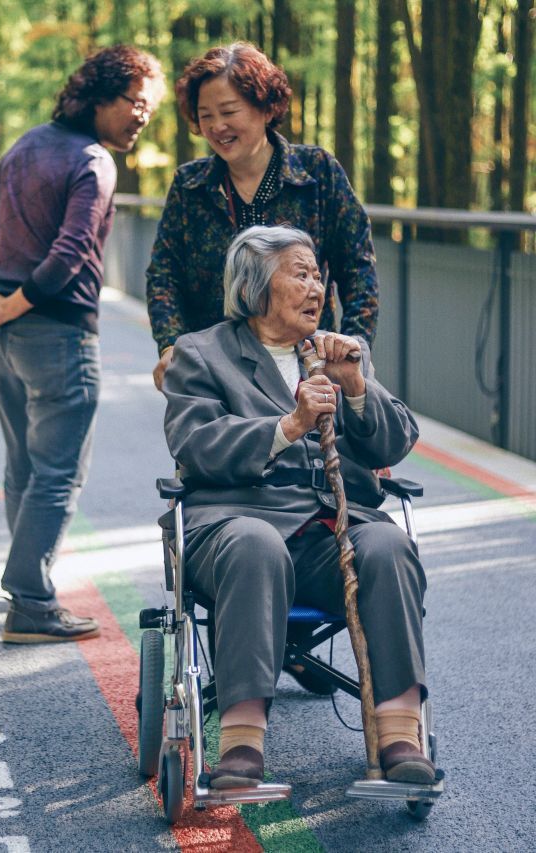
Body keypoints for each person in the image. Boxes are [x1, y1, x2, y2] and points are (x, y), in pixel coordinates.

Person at [162, 225, 434, 789]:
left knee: (387, 544)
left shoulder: (335, 352)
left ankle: (401, 734)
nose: (317, 287)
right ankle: (240, 745)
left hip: (329, 535)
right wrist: (288, 427)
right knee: (256, 544)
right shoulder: (201, 353)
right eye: (301, 274)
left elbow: (395, 442)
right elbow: (195, 444)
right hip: (236, 529)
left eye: (318, 275)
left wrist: (356, 385)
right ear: (257, 286)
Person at [0, 45, 164, 643]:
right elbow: (72, 252)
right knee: (58, 474)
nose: (141, 117)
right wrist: (12, 302)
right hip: (55, 333)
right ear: (102, 96)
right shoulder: (93, 161)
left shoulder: (24, 146)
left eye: (149, 111)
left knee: (23, 467)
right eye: (135, 103)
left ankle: (28, 588)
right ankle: (30, 600)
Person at [148, 42, 378, 391]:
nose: (216, 126)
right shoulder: (189, 186)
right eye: (205, 114)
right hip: (215, 371)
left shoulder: (318, 173)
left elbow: (358, 269)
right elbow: (164, 275)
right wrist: (170, 345)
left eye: (228, 111)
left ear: (266, 108)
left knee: (307, 445)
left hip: (306, 370)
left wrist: (353, 347)